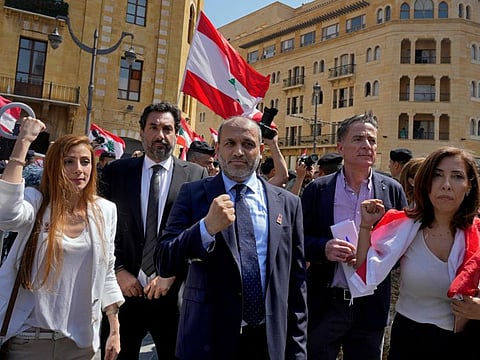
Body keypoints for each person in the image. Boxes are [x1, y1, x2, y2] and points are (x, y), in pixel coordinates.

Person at [156, 116, 307, 359]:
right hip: (207, 340)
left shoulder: (288, 204)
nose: (238, 151)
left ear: (261, 150)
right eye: (230, 143)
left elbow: (296, 284)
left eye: (247, 144)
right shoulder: (193, 194)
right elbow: (164, 260)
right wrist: (205, 229)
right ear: (218, 149)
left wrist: (298, 352)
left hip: (268, 343)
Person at [0, 117, 124, 359]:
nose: (79, 168)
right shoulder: (37, 201)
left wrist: (115, 329)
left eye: (85, 162)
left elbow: (107, 271)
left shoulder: (105, 211)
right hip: (29, 341)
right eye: (69, 162)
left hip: (81, 346)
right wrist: (23, 142)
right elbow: (5, 213)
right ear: (55, 166)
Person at [99, 102, 207, 360]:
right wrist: (119, 270)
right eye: (154, 127)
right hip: (123, 295)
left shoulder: (196, 175)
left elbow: (197, 234)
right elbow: (103, 229)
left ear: (176, 134)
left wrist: (171, 273)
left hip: (173, 298)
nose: (161, 135)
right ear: (142, 131)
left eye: (168, 129)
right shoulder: (117, 172)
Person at [354, 146, 480, 359]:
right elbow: (365, 269)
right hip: (408, 340)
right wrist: (366, 227)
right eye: (437, 175)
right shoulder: (404, 228)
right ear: (425, 183)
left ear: (469, 186)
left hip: (463, 342)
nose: (446, 185)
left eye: (457, 176)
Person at [301, 112, 407, 360]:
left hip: (370, 306)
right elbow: (297, 240)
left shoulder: (391, 190)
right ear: (340, 147)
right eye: (358, 139)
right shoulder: (319, 189)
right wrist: (323, 248)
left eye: (371, 140)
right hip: (326, 303)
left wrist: (373, 257)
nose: (366, 146)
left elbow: (402, 246)